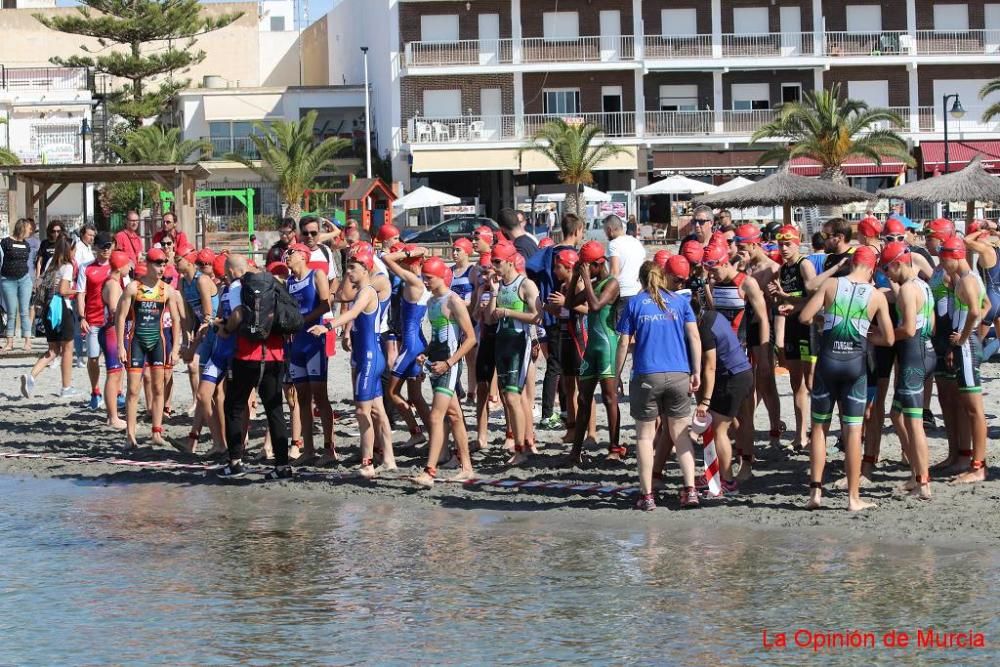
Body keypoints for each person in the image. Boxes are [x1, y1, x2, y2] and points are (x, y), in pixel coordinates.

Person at [799, 246, 893, 511]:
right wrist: (865, 334)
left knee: (819, 428)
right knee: (853, 431)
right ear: (873, 268)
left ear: (851, 263)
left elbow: (805, 316)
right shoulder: (877, 296)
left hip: (827, 363)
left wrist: (824, 319)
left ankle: (815, 495)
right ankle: (853, 498)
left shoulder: (830, 285)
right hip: (855, 365)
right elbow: (888, 338)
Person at [616, 261, 701, 511]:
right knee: (681, 434)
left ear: (641, 280)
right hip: (679, 372)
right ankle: (690, 490)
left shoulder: (634, 303)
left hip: (647, 375)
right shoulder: (679, 302)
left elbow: (623, 343)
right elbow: (694, 337)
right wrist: (695, 370)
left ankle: (647, 495)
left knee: (644, 436)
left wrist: (617, 375)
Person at [311, 243, 395, 479]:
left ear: (366, 268)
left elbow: (352, 312)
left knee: (361, 411)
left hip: (369, 357)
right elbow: (345, 300)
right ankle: (388, 458)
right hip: (367, 355)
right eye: (348, 267)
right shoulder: (363, 288)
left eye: (353, 267)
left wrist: (328, 326)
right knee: (377, 410)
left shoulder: (368, 290)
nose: (349, 272)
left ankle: (367, 463)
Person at [216, 257, 292, 481]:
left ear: (232, 270)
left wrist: (226, 330)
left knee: (234, 407)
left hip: (247, 355)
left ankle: (235, 462)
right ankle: (282, 466)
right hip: (275, 356)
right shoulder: (274, 282)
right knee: (275, 410)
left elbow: (238, 316)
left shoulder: (238, 286)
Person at [410, 257, 479, 487]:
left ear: (441, 277)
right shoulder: (431, 302)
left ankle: (429, 472)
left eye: (428, 278)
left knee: (435, 416)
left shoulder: (454, 301)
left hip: (449, 367)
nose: (425, 282)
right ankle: (467, 468)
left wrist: (449, 363)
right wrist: (426, 353)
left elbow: (469, 339)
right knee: (455, 417)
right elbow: (438, 336)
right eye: (424, 278)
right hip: (435, 364)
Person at [881, 242, 934, 500]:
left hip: (913, 356)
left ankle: (923, 483)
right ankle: (916, 474)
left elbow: (909, 329)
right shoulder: (925, 284)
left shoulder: (907, 290)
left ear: (898, 264)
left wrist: (881, 336)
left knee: (914, 424)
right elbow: (930, 324)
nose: (886, 273)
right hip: (926, 351)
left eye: (887, 268)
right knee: (896, 414)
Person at [114, 248, 182, 451]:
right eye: (157, 264)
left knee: (159, 388)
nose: (161, 268)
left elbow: (176, 319)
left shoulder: (167, 290)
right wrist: (120, 345)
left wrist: (176, 346)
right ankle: (130, 436)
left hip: (158, 342)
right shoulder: (134, 288)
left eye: (164, 264)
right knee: (133, 390)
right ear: (149, 264)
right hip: (136, 341)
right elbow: (119, 316)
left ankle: (156, 432)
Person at [526, 212, 587, 429]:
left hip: (551, 313)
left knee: (562, 367)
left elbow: (530, 270)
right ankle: (549, 413)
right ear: (578, 230)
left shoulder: (548, 251)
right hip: (568, 319)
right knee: (560, 367)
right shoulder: (572, 256)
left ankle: (563, 411)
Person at [939, 237, 990, 485]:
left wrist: (963, 336)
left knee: (973, 409)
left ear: (954, 256)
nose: (941, 263)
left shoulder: (967, 280)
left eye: (943, 258)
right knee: (970, 408)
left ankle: (978, 467)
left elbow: (975, 311)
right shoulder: (969, 279)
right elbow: (986, 304)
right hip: (967, 346)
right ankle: (973, 462)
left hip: (967, 348)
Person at [567, 241, 622, 463]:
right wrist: (574, 279)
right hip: (592, 348)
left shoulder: (611, 283)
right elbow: (570, 303)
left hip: (607, 345)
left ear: (599, 264)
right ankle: (575, 451)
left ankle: (614, 448)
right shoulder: (594, 282)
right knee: (583, 398)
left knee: (609, 398)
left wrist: (587, 281)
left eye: (588, 266)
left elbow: (596, 305)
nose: (585, 270)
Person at [486, 240, 540, 465]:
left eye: (497, 262)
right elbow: (489, 319)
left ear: (509, 262)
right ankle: (524, 443)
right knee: (510, 400)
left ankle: (522, 447)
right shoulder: (499, 286)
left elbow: (537, 316)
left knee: (514, 396)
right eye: (492, 262)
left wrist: (508, 311)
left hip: (519, 343)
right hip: (502, 343)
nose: (494, 266)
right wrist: (494, 293)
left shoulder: (525, 285)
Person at [284, 242, 336, 465]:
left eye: (291, 252)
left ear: (303, 256)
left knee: (319, 396)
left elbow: (326, 305)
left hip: (313, 340)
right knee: (301, 398)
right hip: (296, 344)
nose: (287, 256)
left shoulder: (317, 274)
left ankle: (329, 448)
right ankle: (308, 449)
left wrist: (302, 320)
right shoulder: (288, 281)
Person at [733, 223, 783, 445]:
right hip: (744, 326)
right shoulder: (742, 267)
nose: (740, 250)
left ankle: (774, 430)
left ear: (755, 244)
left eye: (743, 246)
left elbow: (776, 303)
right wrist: (740, 268)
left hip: (764, 325)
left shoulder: (772, 268)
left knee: (766, 379)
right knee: (747, 382)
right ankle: (748, 426)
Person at [697, 302, 753, 496]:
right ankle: (717, 473)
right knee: (734, 423)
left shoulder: (704, 327)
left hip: (733, 377)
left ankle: (727, 481)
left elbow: (710, 366)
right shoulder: (714, 315)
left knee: (718, 430)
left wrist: (704, 400)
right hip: (743, 371)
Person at [380, 244, 432, 447]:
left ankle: (416, 431)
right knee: (416, 396)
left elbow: (387, 259)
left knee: (391, 392)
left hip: (410, 346)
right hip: (417, 342)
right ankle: (429, 434)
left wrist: (410, 252)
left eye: (403, 261)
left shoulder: (414, 281)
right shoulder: (423, 282)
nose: (400, 262)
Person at [772, 225, 817, 450]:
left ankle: (818, 433)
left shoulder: (804, 264)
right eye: (781, 244)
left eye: (788, 244)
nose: (784, 248)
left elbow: (815, 298)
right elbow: (783, 303)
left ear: (797, 243)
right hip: (791, 327)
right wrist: (779, 301)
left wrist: (787, 298)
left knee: (811, 382)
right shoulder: (783, 269)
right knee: (795, 383)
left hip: (807, 329)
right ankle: (801, 435)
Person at [21, 237, 78, 399]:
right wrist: (80, 291)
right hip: (62, 311)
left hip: (48, 310)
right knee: (67, 349)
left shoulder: (50, 264)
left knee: (53, 350)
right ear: (69, 250)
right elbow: (63, 290)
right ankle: (66, 388)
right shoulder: (67, 266)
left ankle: (31, 376)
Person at [76, 231, 115, 409]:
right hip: (93, 319)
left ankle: (117, 393)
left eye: (109, 246)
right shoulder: (86, 267)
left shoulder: (117, 266)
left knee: (113, 359)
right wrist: (82, 316)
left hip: (112, 321)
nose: (107, 250)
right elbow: (81, 293)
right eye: (103, 246)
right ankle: (95, 391)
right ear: (96, 248)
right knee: (92, 358)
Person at [99, 251, 131, 429]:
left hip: (112, 331)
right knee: (113, 373)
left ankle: (112, 415)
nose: (130, 267)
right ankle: (112, 416)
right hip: (111, 332)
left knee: (117, 373)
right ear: (120, 267)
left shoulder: (114, 282)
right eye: (127, 264)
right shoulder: (112, 285)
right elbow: (113, 310)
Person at [1, 218, 35, 353]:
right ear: (22, 228)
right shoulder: (6, 242)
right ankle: (9, 341)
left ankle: (27, 340)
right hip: (8, 280)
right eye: (28, 229)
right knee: (11, 311)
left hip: (24, 279)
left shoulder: (26, 244)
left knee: (24, 310)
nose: (30, 231)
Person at [605, 214, 646, 323]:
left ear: (609, 230)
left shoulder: (613, 244)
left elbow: (614, 273)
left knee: (621, 332)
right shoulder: (636, 242)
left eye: (605, 231)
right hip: (639, 292)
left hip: (623, 293)